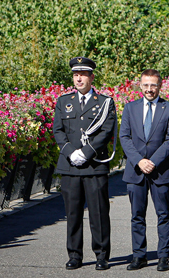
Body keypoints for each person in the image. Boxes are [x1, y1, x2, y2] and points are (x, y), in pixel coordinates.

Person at [52, 56, 117, 271]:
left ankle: (101, 255)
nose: (78, 79)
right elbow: (58, 130)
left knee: (98, 212)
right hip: (70, 165)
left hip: (94, 165)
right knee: (72, 213)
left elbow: (106, 131)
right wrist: (71, 152)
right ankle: (74, 255)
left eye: (83, 75)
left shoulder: (105, 102)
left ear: (91, 77)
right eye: (75, 74)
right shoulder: (64, 101)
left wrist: (86, 152)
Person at [119, 69, 169, 271]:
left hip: (160, 170)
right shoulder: (130, 108)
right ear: (140, 85)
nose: (149, 89)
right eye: (146, 85)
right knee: (137, 215)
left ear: (160, 86)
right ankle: (139, 256)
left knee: (163, 214)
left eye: (153, 85)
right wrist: (139, 161)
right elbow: (124, 138)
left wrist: (152, 161)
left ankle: (164, 256)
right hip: (135, 171)